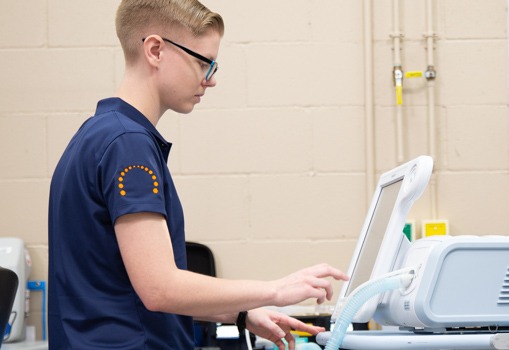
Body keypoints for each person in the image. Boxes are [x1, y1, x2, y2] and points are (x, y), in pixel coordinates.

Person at [47, 1, 348, 349]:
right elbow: (159, 288)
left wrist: (240, 313)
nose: (212, 79)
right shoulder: (127, 144)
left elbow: (116, 285)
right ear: (155, 50)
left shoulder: (98, 135)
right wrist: (276, 289)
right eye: (203, 62)